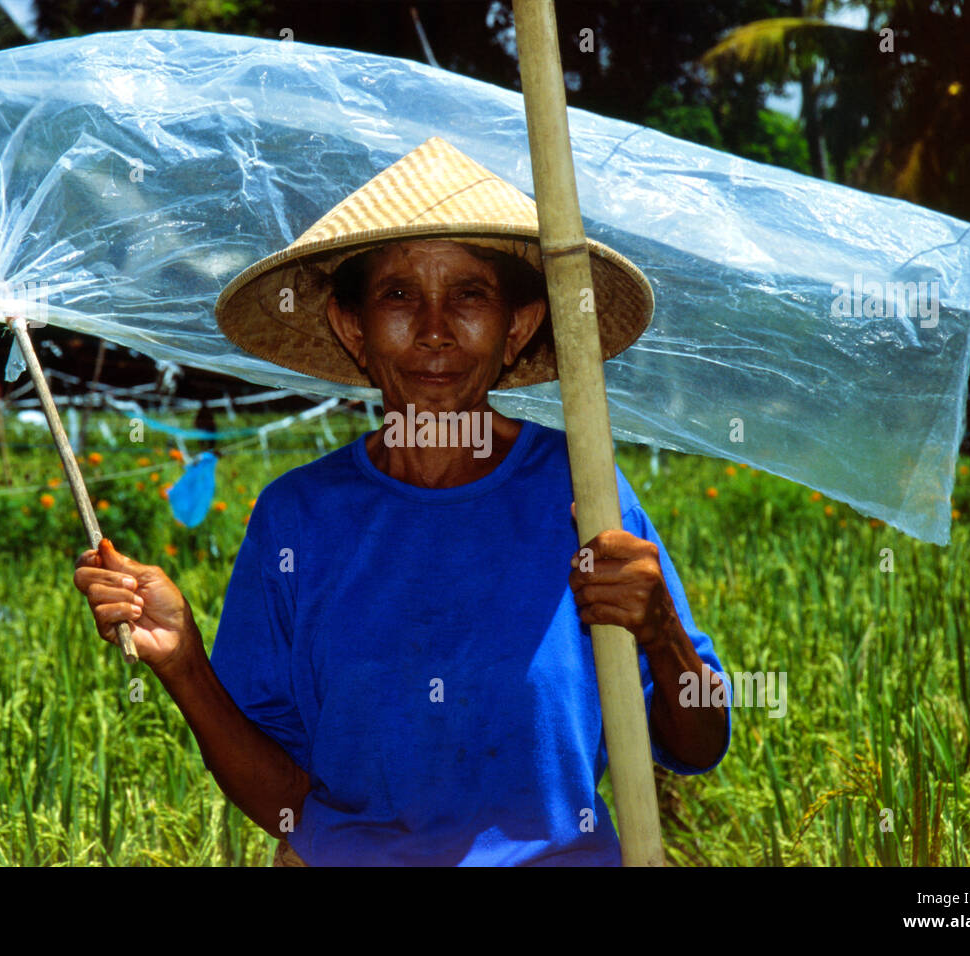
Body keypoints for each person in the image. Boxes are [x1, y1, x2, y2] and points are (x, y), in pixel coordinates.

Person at [74, 137, 730, 866]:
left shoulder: (582, 494)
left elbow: (701, 742)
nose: (435, 329)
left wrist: (662, 631)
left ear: (519, 327)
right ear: (352, 329)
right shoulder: (299, 517)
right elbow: (288, 803)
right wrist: (184, 664)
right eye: (398, 295)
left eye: (470, 295)